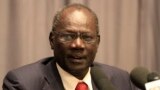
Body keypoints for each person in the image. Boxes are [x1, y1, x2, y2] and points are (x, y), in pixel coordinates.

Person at [3, 4, 140, 90]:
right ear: (52, 40)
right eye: (68, 36)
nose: (78, 45)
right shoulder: (23, 83)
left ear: (97, 42)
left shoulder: (120, 80)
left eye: (87, 37)